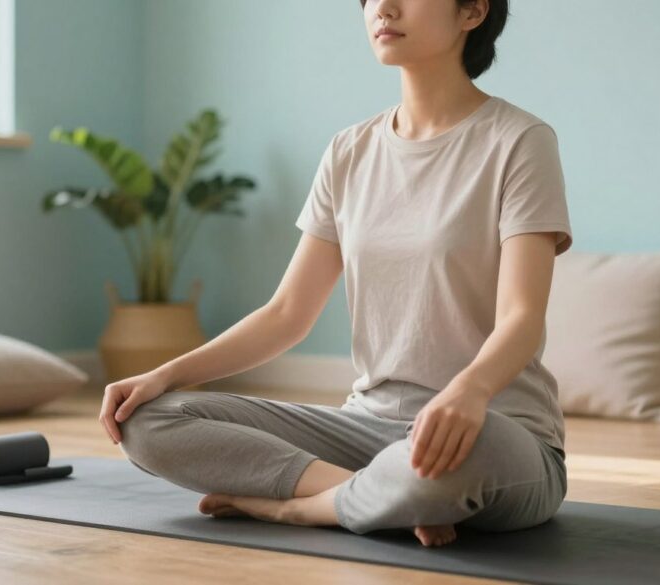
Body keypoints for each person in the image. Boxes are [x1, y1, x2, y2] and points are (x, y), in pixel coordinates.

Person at [99, 0, 571, 548]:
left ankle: (301, 510)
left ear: (471, 12)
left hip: (493, 429)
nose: (383, 9)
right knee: (147, 420)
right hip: (365, 430)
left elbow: (522, 316)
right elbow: (286, 315)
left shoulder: (519, 141)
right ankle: (371, 496)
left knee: (469, 452)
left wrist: (468, 390)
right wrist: (166, 375)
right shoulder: (349, 151)